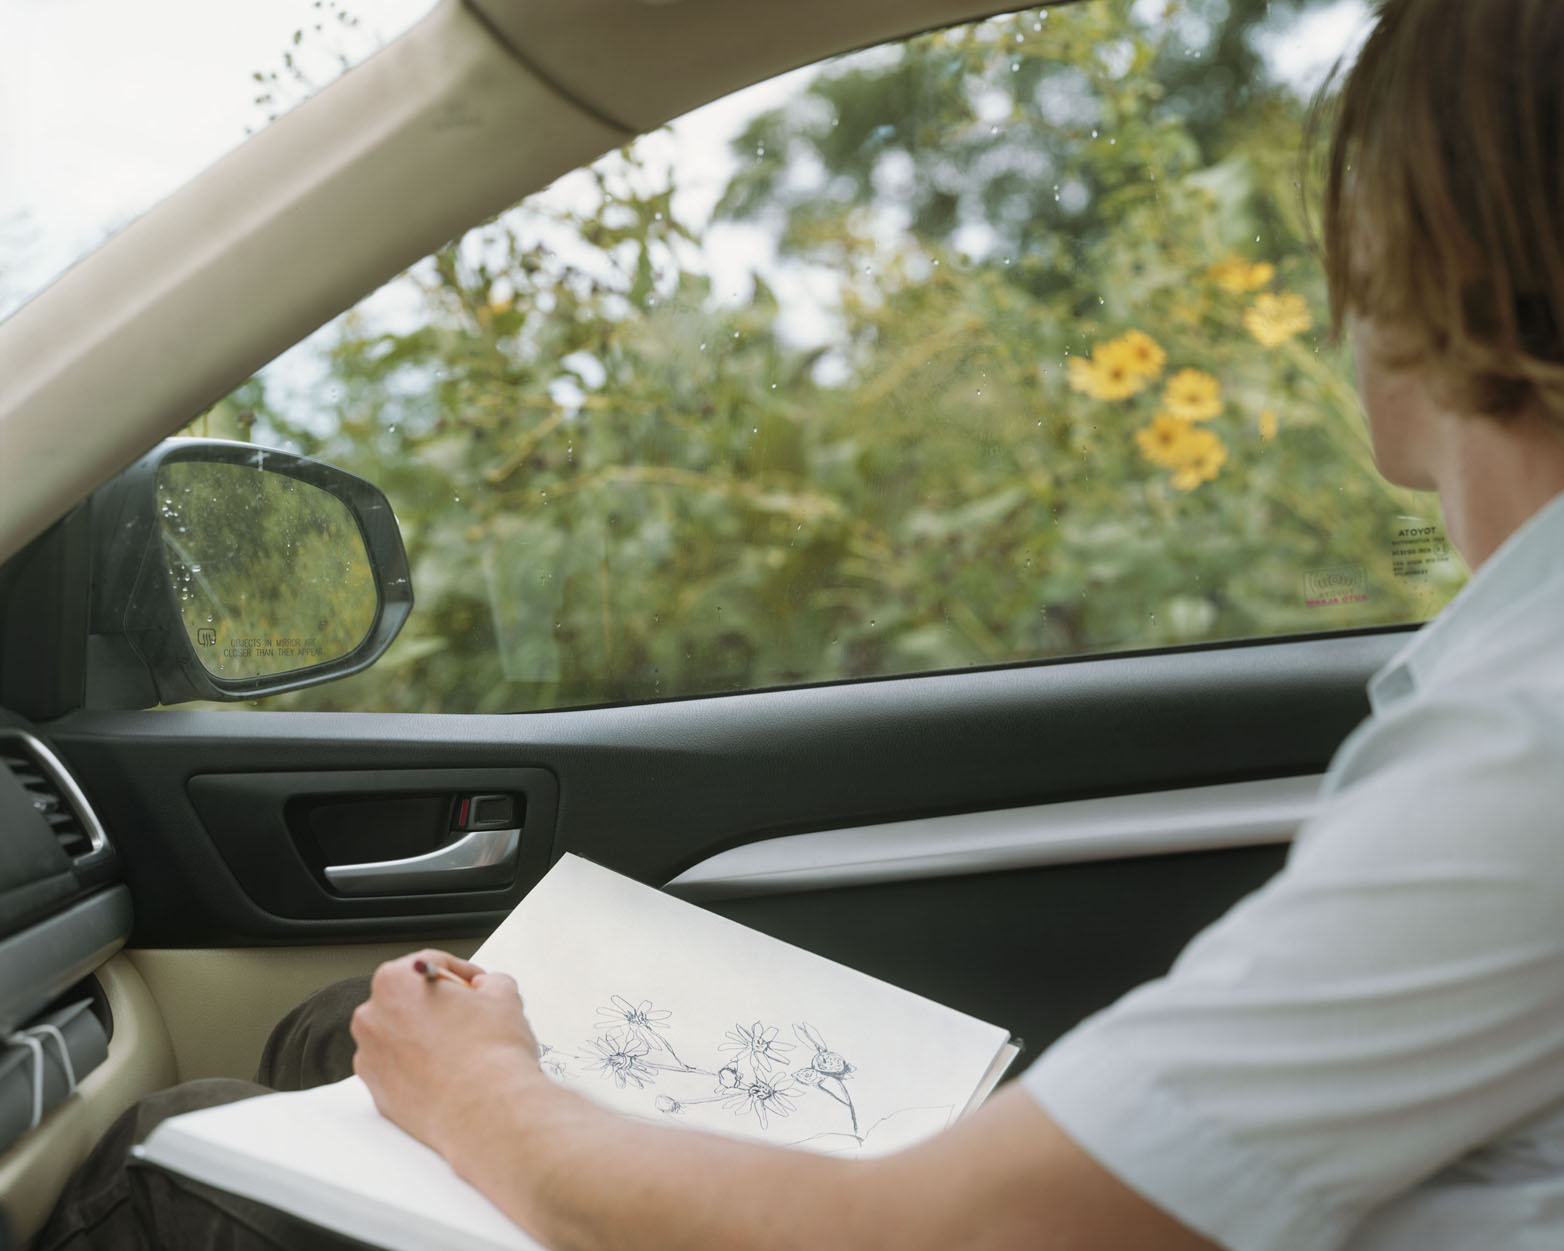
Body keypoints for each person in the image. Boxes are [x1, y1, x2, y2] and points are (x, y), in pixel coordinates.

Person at [36, 0, 1564, 1245]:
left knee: (180, 1167)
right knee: (335, 1032)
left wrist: (487, 1099)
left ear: (1436, 265)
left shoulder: (1531, 732)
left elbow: (954, 1240)